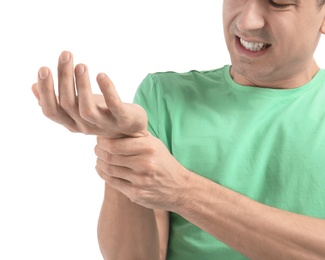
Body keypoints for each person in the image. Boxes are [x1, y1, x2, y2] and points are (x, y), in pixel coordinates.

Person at [32, 0, 325, 259]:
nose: (247, 20)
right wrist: (120, 144)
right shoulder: (163, 98)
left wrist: (183, 191)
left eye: (278, 3)